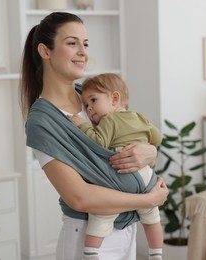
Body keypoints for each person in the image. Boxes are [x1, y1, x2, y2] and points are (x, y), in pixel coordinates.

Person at [20, 12, 168, 260]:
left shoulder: (92, 95)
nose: (83, 52)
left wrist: (150, 151)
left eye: (85, 44)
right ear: (45, 51)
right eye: (72, 43)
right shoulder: (43, 121)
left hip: (127, 228)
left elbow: (133, 141)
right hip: (87, 238)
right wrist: (148, 199)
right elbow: (79, 197)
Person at [68, 73, 164, 260]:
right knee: (152, 216)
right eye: (86, 105)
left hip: (123, 174)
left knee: (103, 211)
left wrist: (83, 126)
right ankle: (156, 253)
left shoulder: (109, 120)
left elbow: (98, 142)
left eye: (93, 100)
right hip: (147, 176)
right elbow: (157, 137)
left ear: (115, 98)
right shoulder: (139, 117)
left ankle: (91, 252)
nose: (89, 109)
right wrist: (148, 147)